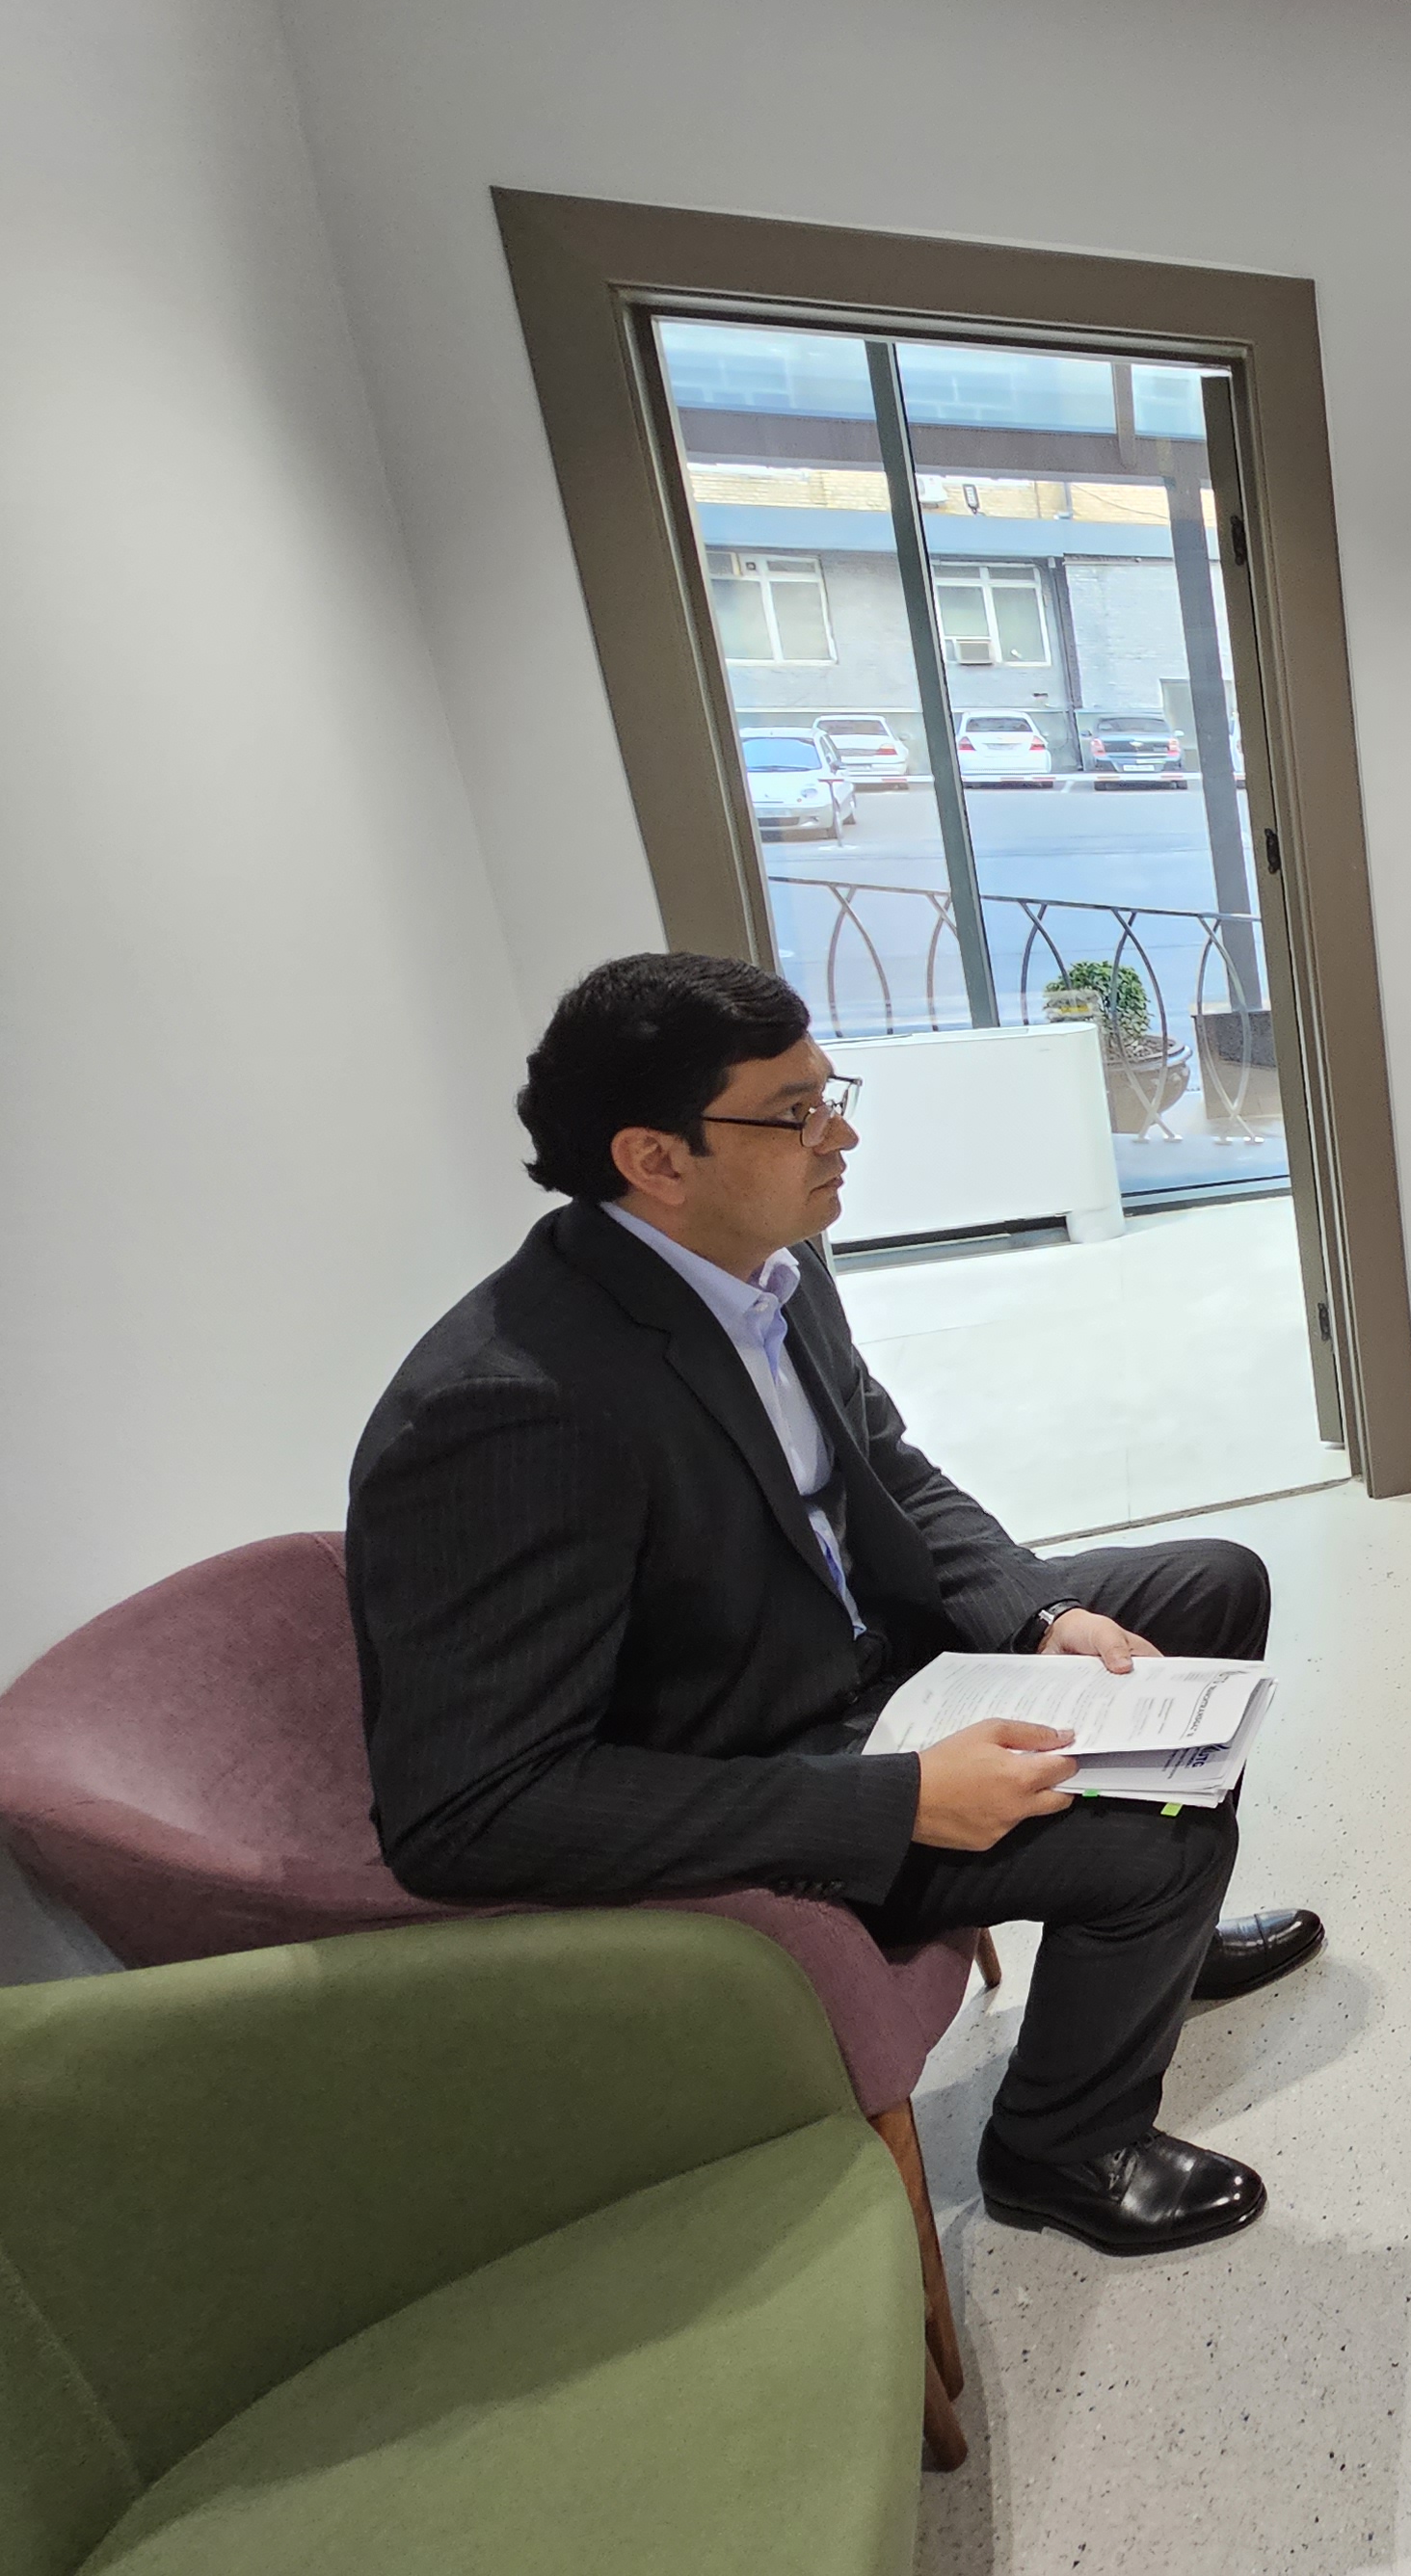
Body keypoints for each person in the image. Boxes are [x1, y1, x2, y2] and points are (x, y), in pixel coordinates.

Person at [348, 952, 1327, 2259]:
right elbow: (469, 1812)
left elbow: (888, 1469)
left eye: (831, 1095)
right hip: (762, 1749)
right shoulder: (512, 1405)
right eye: (796, 1112)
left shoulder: (771, 1266)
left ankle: (1160, 1954)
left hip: (854, 1644)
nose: (841, 1135)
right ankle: (1058, 2151)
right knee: (1162, 1846)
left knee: (1210, 1587)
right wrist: (897, 1798)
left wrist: (1037, 1618)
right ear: (655, 1159)